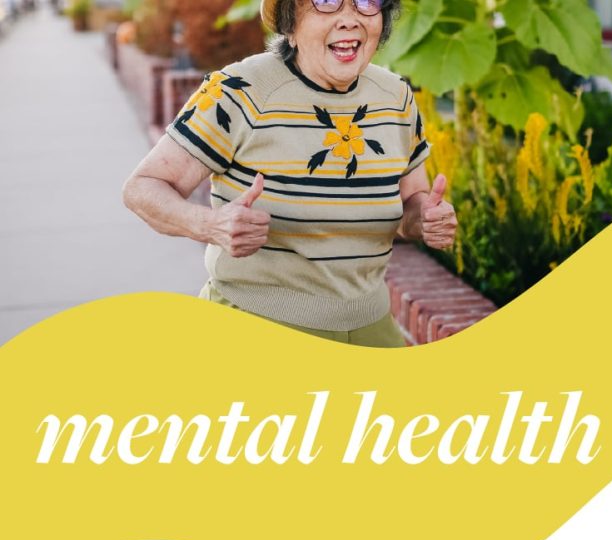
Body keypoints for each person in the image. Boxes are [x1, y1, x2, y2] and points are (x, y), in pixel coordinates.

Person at [122, 0, 457, 347]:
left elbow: (410, 204)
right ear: (290, 24)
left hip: (373, 331)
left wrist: (426, 218)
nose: (349, 19)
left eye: (366, 1)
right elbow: (142, 187)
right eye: (325, 1)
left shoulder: (397, 97)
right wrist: (210, 225)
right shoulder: (238, 89)